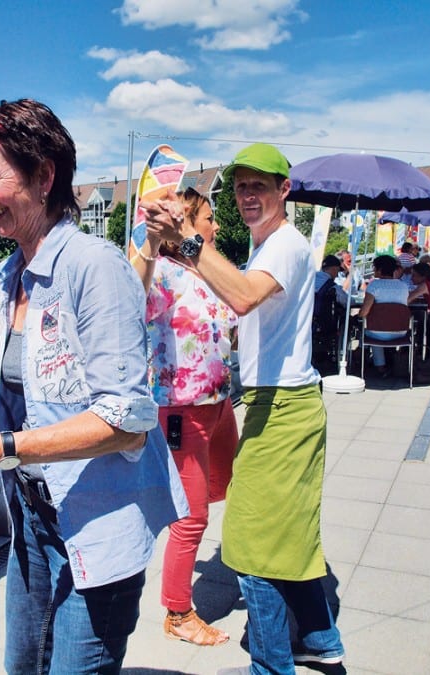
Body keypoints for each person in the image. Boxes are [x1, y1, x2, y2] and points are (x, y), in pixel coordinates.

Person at [0, 99, 188, 674]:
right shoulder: (10, 274)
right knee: (23, 666)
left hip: (95, 528)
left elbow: (124, 418)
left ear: (44, 176)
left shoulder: (94, 267)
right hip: (31, 516)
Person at [144, 143, 345, 673]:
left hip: (274, 404)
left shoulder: (280, 246)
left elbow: (242, 299)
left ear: (284, 191)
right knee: (282, 529)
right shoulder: (263, 247)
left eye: (259, 185)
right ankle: (319, 638)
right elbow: (146, 292)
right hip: (229, 405)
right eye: (240, 187)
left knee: (251, 541)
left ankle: (270, 664)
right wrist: (155, 241)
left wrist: (186, 241)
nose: (246, 196)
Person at [130, 187, 238, 646]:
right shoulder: (165, 273)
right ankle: (177, 612)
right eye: (209, 219)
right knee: (191, 517)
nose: (216, 227)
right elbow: (133, 293)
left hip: (219, 403)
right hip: (181, 409)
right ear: (187, 224)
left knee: (226, 488)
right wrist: (151, 241)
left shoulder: (205, 270)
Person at [358, 255, 409, 377]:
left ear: (380, 270)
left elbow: (365, 311)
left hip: (378, 331)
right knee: (379, 325)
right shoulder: (403, 286)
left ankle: (379, 366)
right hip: (401, 331)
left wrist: (359, 315)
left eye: (374, 268)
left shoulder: (374, 285)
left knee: (371, 328)